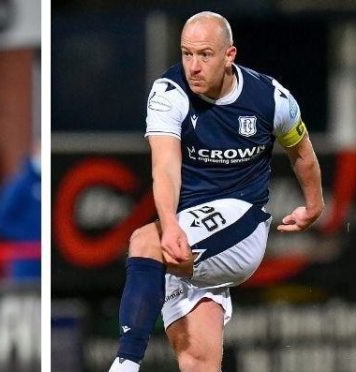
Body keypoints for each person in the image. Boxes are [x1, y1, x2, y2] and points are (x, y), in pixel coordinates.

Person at [109, 11, 323, 372]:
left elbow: (301, 152)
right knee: (198, 363)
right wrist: (171, 224)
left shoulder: (271, 99)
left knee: (145, 241)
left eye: (204, 54)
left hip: (243, 226)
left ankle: (125, 364)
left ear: (229, 56)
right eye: (186, 53)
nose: (193, 66)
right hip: (188, 226)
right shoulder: (168, 93)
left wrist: (313, 206)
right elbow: (164, 168)